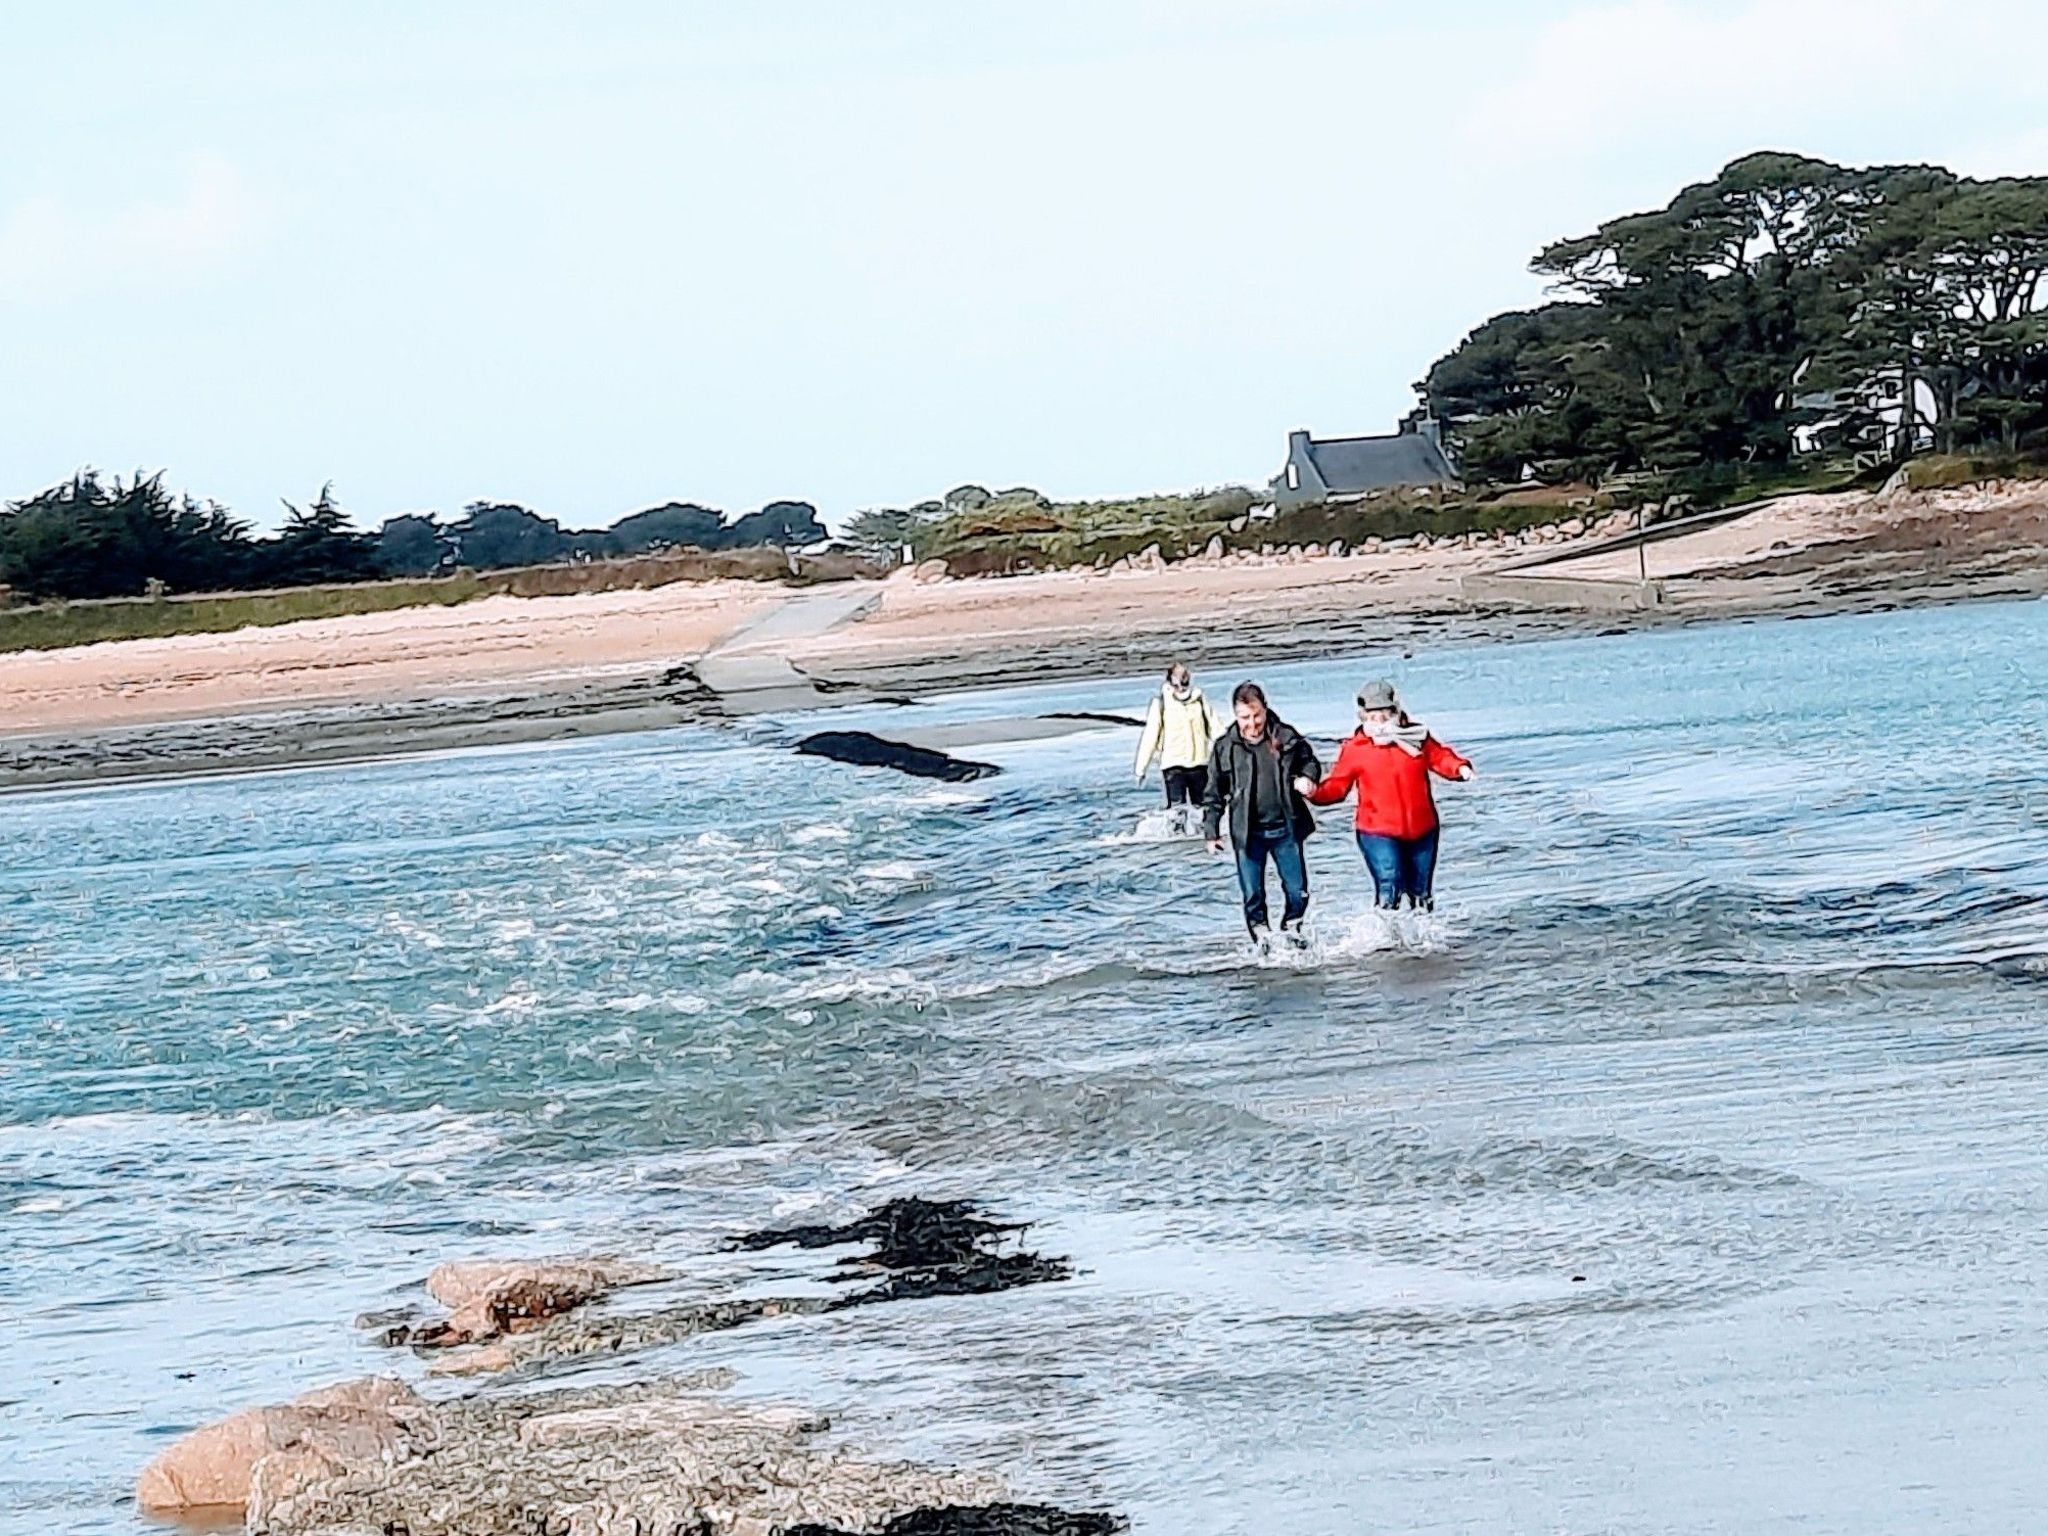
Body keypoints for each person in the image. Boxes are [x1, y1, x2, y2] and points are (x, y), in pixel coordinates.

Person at [1300, 679, 1473, 910]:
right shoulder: (1355, 749)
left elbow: (1440, 757)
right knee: (1389, 884)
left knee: (1421, 893)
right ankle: (1383, 940)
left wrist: (1459, 768)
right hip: (1377, 832)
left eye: (1384, 715)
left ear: (1395, 711)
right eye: (1372, 717)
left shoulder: (1416, 737)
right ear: (1362, 717)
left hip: (1423, 829)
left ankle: (1421, 941)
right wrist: (1314, 792)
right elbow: (1337, 787)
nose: (1379, 722)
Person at [1202, 681, 1322, 943]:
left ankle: (1293, 934)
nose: (1252, 723)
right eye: (1245, 717)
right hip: (1248, 835)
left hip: (1286, 829)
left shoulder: (1286, 736)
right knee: (1253, 895)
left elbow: (1310, 762)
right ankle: (1263, 943)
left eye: (1256, 715)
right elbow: (1213, 794)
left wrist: (1307, 778)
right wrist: (1211, 832)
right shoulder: (1225, 748)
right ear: (1236, 715)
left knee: (1297, 891)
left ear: (1265, 709)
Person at [1134, 662, 1222, 811]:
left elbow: (1217, 729)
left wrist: (1231, 758)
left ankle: (1204, 833)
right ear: (1170, 682)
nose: (1181, 687)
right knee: (1176, 811)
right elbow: (1150, 736)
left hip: (1199, 764)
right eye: (1177, 683)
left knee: (1204, 808)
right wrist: (1140, 769)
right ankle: (1176, 833)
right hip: (1173, 766)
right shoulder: (1161, 703)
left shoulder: (1199, 699)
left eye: (1184, 681)